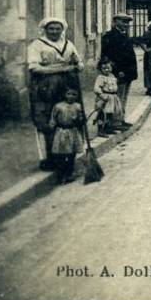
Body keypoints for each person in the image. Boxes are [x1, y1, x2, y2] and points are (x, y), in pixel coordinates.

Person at [27, 17, 81, 171]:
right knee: (48, 119)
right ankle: (51, 158)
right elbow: (34, 68)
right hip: (46, 87)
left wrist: (78, 65)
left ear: (62, 29)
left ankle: (68, 155)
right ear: (45, 29)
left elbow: (77, 61)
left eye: (58, 28)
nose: (55, 31)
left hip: (68, 85)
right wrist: (61, 69)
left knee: (67, 117)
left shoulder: (68, 44)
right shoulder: (37, 45)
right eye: (51, 29)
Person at [100, 13, 138, 113]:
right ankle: (116, 121)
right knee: (117, 97)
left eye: (127, 22)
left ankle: (121, 119)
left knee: (124, 97)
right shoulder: (109, 36)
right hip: (118, 72)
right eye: (123, 21)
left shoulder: (125, 35)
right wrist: (117, 70)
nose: (126, 24)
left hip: (128, 71)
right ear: (115, 22)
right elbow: (107, 56)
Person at [48, 87, 85, 185]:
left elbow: (81, 119)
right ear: (64, 95)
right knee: (62, 154)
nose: (71, 96)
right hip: (62, 132)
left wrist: (80, 120)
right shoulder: (58, 106)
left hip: (73, 131)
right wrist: (51, 128)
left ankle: (69, 173)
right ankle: (61, 175)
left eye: (74, 94)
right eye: (68, 94)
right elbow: (53, 118)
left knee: (71, 154)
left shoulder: (78, 106)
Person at [93, 58, 127, 136]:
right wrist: (101, 95)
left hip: (112, 97)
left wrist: (119, 78)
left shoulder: (112, 76)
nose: (107, 70)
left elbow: (114, 84)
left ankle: (109, 128)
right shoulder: (100, 78)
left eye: (108, 68)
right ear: (100, 69)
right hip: (105, 98)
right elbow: (96, 88)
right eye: (104, 68)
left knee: (110, 114)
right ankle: (101, 130)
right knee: (103, 114)